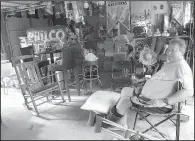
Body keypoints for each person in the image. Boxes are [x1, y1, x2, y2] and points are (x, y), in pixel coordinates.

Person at [103, 38, 194, 127]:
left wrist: (165, 101)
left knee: (125, 101)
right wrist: (143, 87)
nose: (168, 53)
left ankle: (107, 122)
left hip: (156, 103)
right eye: (168, 49)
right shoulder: (171, 63)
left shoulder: (181, 67)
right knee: (125, 90)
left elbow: (189, 91)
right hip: (147, 96)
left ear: (181, 52)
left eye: (172, 50)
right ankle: (121, 123)